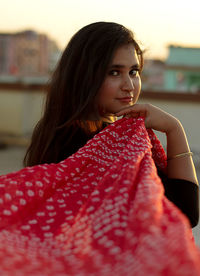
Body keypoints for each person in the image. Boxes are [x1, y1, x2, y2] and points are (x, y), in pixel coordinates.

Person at [24, 21, 199, 228]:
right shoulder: (100, 146)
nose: (129, 86)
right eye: (114, 72)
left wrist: (173, 127)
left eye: (134, 72)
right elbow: (184, 214)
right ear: (84, 76)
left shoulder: (54, 131)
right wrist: (174, 129)